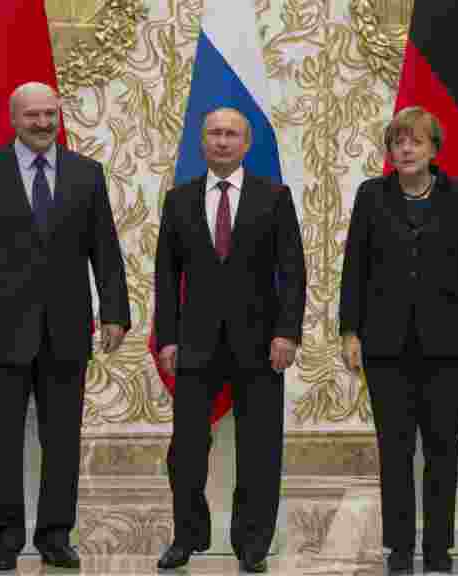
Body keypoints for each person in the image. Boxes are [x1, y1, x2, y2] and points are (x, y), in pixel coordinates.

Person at [0, 81, 130, 572]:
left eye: (50, 114)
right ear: (14, 119)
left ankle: (55, 537)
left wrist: (114, 312)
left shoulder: (86, 173)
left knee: (63, 441)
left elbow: (105, 250)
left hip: (66, 331)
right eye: (33, 115)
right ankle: (4, 540)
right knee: (1, 443)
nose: (43, 123)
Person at [338, 106, 458, 575]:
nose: (405, 149)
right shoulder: (371, 195)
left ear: (433, 149)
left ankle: (439, 548)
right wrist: (350, 331)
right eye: (398, 141)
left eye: (415, 141)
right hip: (385, 345)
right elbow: (355, 267)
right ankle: (400, 549)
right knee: (396, 451)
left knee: (443, 450)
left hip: (445, 345)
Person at [153, 107, 306, 573]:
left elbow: (292, 272)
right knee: (186, 450)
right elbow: (166, 276)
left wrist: (287, 333)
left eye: (231, 134)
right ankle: (187, 535)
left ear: (246, 143)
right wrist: (167, 339)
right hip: (195, 343)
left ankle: (252, 542)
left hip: (260, 344)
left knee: (259, 447)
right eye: (215, 133)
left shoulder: (274, 197)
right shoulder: (179, 200)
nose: (222, 141)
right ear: (202, 142)